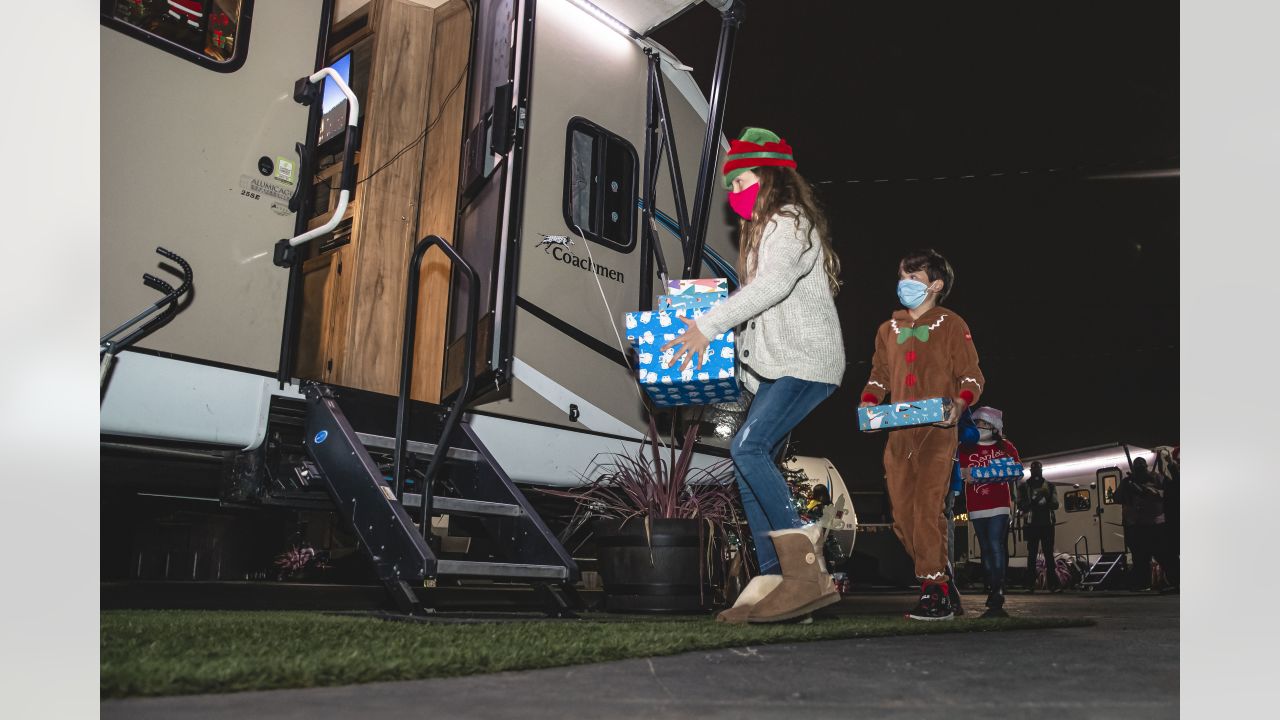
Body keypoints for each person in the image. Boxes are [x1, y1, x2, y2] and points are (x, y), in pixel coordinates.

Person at [664, 127, 846, 624]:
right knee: (747, 456)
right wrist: (742, 370)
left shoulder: (788, 219)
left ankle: (806, 569)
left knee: (748, 447)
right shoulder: (767, 228)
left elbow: (773, 286)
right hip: (778, 368)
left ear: (768, 177)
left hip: (806, 363)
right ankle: (774, 583)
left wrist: (706, 325)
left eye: (742, 180)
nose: (736, 193)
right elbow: (764, 314)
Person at [858, 249, 986, 621]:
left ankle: (934, 592)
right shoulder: (887, 329)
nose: (904, 284)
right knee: (902, 519)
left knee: (928, 510)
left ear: (936, 284)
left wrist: (960, 405)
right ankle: (943, 582)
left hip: (937, 431)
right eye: (902, 276)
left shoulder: (950, 323)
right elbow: (878, 376)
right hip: (897, 433)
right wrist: (869, 402)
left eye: (913, 278)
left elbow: (972, 376)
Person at [957, 406, 1020, 618]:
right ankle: (991, 586)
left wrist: (986, 473)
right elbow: (961, 472)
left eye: (984, 424)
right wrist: (969, 474)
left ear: (994, 427)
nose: (980, 427)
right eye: (977, 424)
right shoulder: (966, 449)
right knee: (985, 548)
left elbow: (1016, 470)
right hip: (975, 506)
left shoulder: (1006, 447)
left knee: (995, 544)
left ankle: (998, 589)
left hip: (999, 504)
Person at [1115, 457, 1172, 591]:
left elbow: (1169, 493)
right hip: (1136, 525)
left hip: (1155, 525)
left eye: (1142, 469)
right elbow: (1117, 497)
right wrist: (1127, 489)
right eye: (1137, 470)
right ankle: (1142, 583)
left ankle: (1174, 580)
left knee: (1163, 555)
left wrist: (1151, 491)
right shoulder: (1127, 482)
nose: (1140, 473)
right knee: (1139, 558)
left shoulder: (1157, 478)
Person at [1018, 460, 1060, 593]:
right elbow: (1021, 505)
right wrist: (1036, 502)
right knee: (1034, 555)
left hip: (1045, 524)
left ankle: (1050, 584)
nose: (1036, 472)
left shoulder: (1049, 486)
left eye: (1038, 469)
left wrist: (1043, 502)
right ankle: (1034, 584)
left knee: (1046, 555)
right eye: (1035, 469)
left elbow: (1055, 504)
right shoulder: (1025, 487)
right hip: (1034, 524)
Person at [1151, 446, 1179, 590]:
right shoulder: (1171, 480)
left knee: (1169, 552)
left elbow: (1175, 476)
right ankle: (1176, 581)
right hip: (1170, 519)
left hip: (1175, 519)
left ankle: (1177, 581)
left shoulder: (1178, 478)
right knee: (1167, 552)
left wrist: (1168, 460)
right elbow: (1165, 475)